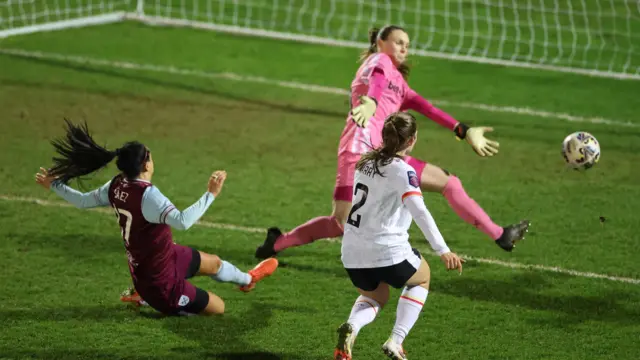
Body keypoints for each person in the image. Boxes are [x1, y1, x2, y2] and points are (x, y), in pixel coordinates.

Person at [256, 25, 529, 259]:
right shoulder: (378, 63)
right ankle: (278, 242)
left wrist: (463, 129)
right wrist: (372, 102)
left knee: (449, 182)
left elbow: (427, 108)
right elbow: (376, 80)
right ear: (380, 43)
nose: (404, 49)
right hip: (358, 151)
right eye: (399, 42)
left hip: (387, 155)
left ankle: (500, 234)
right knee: (341, 222)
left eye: (407, 46)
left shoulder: (398, 82)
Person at [35, 120, 278, 316]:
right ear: (145, 165)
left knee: (213, 262)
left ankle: (248, 279)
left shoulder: (116, 184)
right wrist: (211, 194)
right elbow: (183, 221)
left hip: (163, 258)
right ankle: (148, 301)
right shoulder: (148, 195)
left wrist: (54, 185)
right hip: (160, 283)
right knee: (219, 308)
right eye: (149, 156)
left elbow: (83, 201)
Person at [334, 112, 463, 360]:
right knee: (421, 278)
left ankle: (352, 326)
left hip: (351, 252)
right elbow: (420, 212)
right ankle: (396, 340)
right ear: (412, 139)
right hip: (386, 250)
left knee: (375, 295)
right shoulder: (403, 171)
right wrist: (443, 250)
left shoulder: (364, 162)